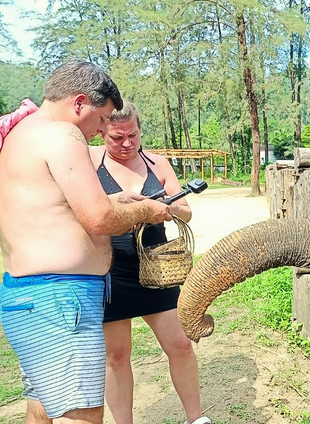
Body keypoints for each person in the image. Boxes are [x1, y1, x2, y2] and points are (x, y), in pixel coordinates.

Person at [0, 60, 172, 424]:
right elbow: (99, 220)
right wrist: (145, 212)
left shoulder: (22, 134)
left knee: (43, 407)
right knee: (81, 416)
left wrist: (117, 202)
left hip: (26, 295)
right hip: (62, 299)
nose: (97, 131)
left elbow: (55, 208)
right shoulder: (62, 135)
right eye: (100, 119)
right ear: (79, 103)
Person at [89, 102, 209, 424]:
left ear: (140, 130)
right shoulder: (88, 162)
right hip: (110, 271)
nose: (127, 143)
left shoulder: (157, 163)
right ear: (102, 132)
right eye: (117, 137)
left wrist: (164, 208)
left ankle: (196, 418)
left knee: (181, 344)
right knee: (116, 355)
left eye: (133, 135)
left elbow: (185, 211)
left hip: (158, 268)